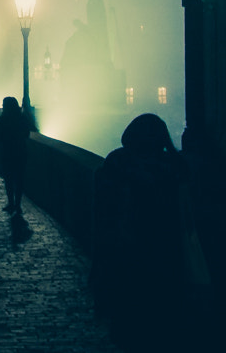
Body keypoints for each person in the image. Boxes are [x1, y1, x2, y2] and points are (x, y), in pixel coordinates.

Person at [91, 114, 194, 350]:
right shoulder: (174, 168)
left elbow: (103, 214)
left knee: (129, 317)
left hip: (126, 249)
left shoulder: (117, 163)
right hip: (164, 252)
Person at [0, 96, 31, 214]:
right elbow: (27, 134)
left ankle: (11, 203)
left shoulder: (2, 119)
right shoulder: (22, 118)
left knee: (9, 180)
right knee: (19, 180)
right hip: (21, 152)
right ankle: (18, 204)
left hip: (7, 153)